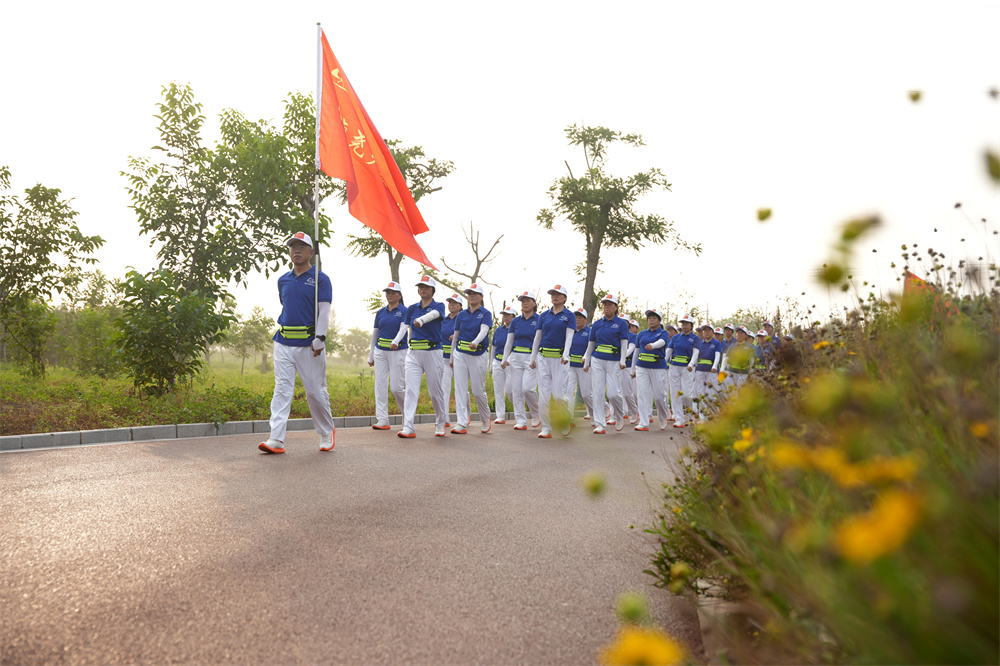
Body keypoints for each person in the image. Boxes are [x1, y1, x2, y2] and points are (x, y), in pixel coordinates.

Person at [259, 232, 336, 454]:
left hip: (309, 343)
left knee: (314, 391)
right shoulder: (283, 279)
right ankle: (276, 438)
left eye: (302, 247)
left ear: (311, 252)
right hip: (283, 341)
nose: (297, 251)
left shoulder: (321, 278)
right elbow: (286, 305)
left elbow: (324, 311)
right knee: (282, 389)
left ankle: (326, 431)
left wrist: (320, 337)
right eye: (293, 247)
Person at [394, 275, 449, 438]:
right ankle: (408, 426)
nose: (422, 289)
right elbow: (404, 326)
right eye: (420, 287)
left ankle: (440, 422)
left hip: (433, 353)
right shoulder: (411, 308)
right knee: (411, 390)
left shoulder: (439, 305)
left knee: (435, 391)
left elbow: (433, 315)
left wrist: (421, 321)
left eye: (426, 287)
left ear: (432, 290)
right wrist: (396, 341)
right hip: (414, 354)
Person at [532, 284, 576, 438]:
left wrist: (566, 353)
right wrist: (533, 357)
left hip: (560, 359)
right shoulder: (544, 315)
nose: (555, 296)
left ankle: (565, 420)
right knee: (543, 395)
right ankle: (546, 428)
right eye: (552, 294)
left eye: (558, 294)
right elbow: (538, 337)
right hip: (543, 357)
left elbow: (569, 336)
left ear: (564, 298)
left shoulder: (569, 316)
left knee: (558, 395)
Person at [582, 294, 629, 434]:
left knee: (614, 394)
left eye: (610, 304)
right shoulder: (597, 324)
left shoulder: (621, 324)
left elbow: (624, 343)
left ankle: (619, 416)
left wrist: (622, 359)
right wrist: (587, 359)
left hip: (614, 361)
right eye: (605, 304)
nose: (607, 307)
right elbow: (591, 344)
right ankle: (600, 424)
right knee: (597, 392)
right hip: (598, 360)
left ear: (615, 307)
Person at [450, 283, 493, 434]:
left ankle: (485, 417)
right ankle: (461, 422)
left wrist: (475, 342)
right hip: (460, 353)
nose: (471, 296)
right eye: (469, 294)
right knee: (460, 388)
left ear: (481, 296)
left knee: (477, 390)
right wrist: (451, 356)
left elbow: (484, 331)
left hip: (478, 354)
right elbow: (456, 335)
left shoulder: (486, 314)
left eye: (475, 293)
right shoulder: (461, 314)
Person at [367, 281, 407, 430]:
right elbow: (375, 334)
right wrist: (371, 354)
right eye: (388, 293)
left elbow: (404, 329)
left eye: (393, 293)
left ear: (399, 295)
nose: (390, 295)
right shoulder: (380, 312)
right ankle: (382, 419)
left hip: (398, 351)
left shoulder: (404, 311)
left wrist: (396, 341)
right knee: (380, 385)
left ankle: (407, 416)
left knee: (396, 388)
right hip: (380, 351)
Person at [500, 291, 541, 430]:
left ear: (534, 303)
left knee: (527, 389)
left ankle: (536, 414)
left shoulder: (539, 319)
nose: (525, 303)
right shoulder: (516, 321)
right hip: (516, 357)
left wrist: (535, 357)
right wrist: (505, 358)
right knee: (516, 390)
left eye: (528, 300)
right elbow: (509, 341)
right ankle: (521, 420)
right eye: (523, 301)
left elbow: (540, 340)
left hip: (532, 357)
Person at [630, 308, 671, 431]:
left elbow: (662, 342)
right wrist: (633, 369)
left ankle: (662, 417)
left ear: (659, 320)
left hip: (658, 367)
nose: (651, 320)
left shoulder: (663, 333)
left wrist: (652, 346)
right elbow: (636, 352)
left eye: (654, 318)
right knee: (642, 394)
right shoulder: (642, 334)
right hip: (641, 366)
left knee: (659, 396)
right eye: (649, 318)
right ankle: (644, 422)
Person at [665, 315, 700, 428]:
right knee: (676, 393)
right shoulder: (675, 338)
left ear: (691, 325)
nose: (684, 326)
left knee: (686, 394)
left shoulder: (695, 338)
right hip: (674, 366)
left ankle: (692, 413)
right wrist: (663, 362)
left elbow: (695, 353)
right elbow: (669, 351)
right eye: (683, 324)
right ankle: (679, 419)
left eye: (686, 324)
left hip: (687, 368)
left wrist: (691, 364)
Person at [566, 307, 594, 423]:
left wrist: (586, 358)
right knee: (568, 393)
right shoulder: (570, 331)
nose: (577, 320)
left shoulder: (589, 332)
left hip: (585, 367)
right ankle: (569, 419)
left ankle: (594, 414)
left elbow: (591, 347)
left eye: (580, 318)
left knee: (586, 394)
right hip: (570, 367)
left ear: (585, 319)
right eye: (575, 317)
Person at [490, 306, 516, 424]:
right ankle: (500, 416)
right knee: (498, 390)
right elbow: (493, 347)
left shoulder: (516, 330)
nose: (505, 317)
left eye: (508, 315)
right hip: (497, 362)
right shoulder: (498, 330)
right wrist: (491, 364)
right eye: (504, 314)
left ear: (513, 317)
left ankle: (518, 411)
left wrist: (508, 359)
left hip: (510, 363)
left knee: (511, 391)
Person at [441, 292, 463, 427]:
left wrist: (456, 338)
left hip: (460, 358)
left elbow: (469, 334)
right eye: (450, 302)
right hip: (444, 359)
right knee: (444, 388)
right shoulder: (444, 320)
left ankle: (465, 412)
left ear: (460, 306)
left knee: (460, 389)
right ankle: (445, 418)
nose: (451, 305)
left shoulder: (463, 319)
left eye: (454, 303)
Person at [693, 323, 723, 422]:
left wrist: (715, 366)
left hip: (711, 371)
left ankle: (713, 415)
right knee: (701, 393)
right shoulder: (700, 343)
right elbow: (696, 357)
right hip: (700, 370)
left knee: (711, 394)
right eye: (704, 331)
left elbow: (717, 355)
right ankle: (702, 417)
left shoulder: (716, 343)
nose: (706, 332)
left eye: (708, 330)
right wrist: (694, 370)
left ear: (712, 332)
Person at [720, 326, 754, 391]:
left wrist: (751, 371)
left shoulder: (749, 347)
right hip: (731, 372)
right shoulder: (732, 346)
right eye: (738, 333)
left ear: (746, 335)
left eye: (741, 333)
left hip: (743, 373)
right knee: (731, 392)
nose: (739, 335)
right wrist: (722, 371)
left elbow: (752, 360)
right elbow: (726, 359)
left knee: (740, 392)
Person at [621, 319, 640, 425]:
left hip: (629, 366)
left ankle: (635, 411)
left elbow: (631, 350)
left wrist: (622, 357)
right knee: (615, 392)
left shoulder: (633, 337)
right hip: (616, 366)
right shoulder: (616, 333)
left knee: (630, 393)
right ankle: (617, 415)